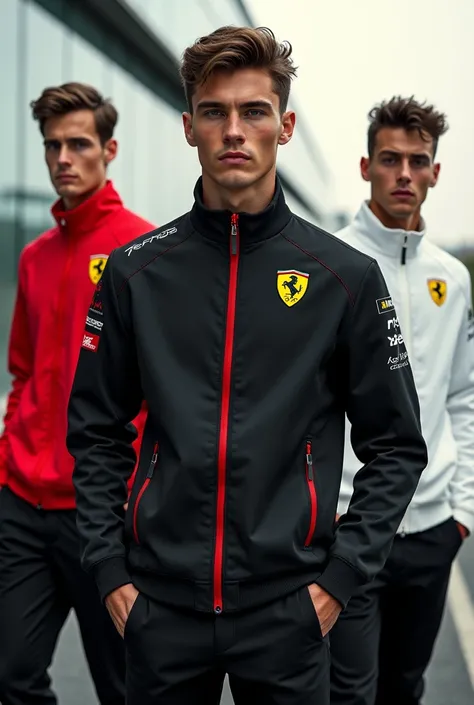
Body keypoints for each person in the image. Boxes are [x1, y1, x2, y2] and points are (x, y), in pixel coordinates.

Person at [67, 29, 427, 705]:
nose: (234, 130)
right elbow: (95, 429)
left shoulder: (344, 278)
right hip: (159, 610)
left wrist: (338, 582)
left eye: (254, 111)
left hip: (289, 612)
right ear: (188, 127)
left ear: (284, 126)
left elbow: (398, 446)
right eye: (214, 112)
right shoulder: (135, 273)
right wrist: (111, 571)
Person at [0, 82, 154, 705]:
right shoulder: (34, 258)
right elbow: (24, 372)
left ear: (109, 149)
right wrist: (10, 454)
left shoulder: (144, 250)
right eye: (52, 146)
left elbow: (159, 393)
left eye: (78, 144)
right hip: (21, 505)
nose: (63, 157)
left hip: (102, 517)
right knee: (12, 675)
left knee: (124, 687)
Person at [330, 96, 474, 705]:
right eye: (391, 159)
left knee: (405, 689)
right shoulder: (325, 263)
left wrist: (462, 510)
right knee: (347, 693)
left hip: (433, 531)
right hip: (349, 527)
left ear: (436, 172)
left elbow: (463, 397)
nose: (405, 174)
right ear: (367, 167)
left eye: (419, 161)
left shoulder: (454, 277)